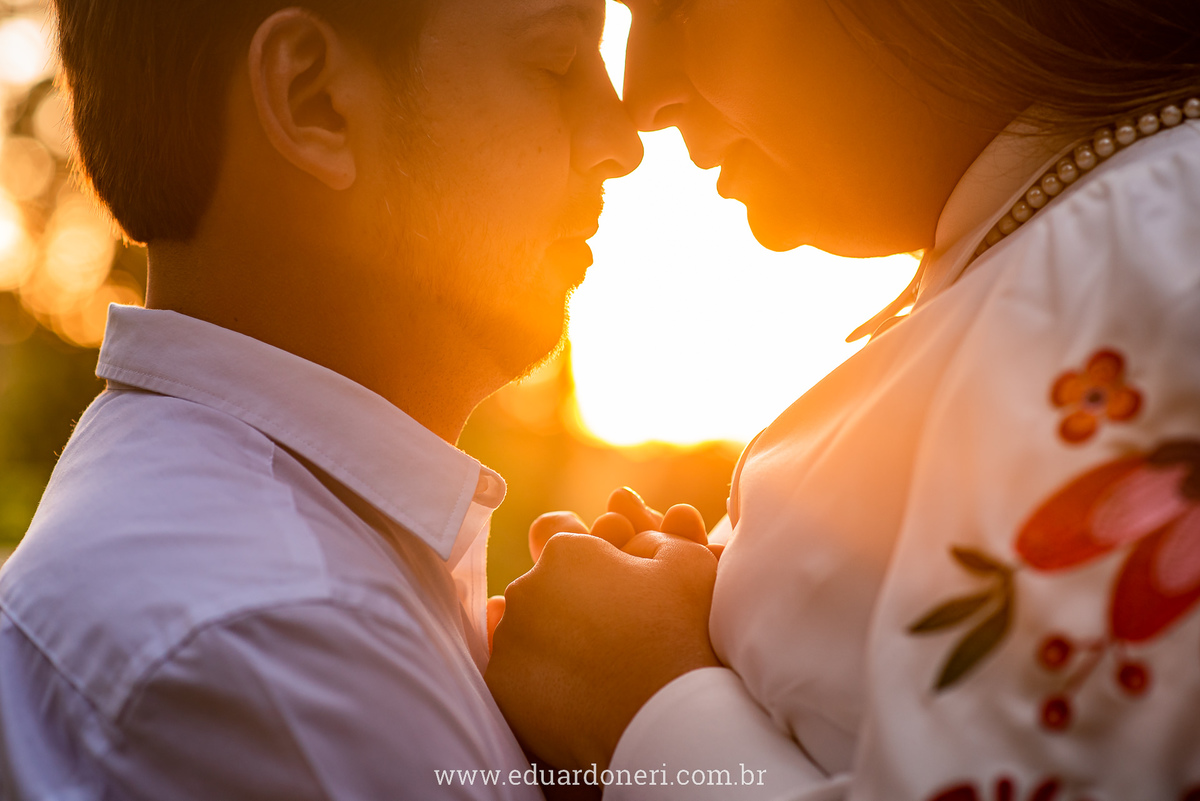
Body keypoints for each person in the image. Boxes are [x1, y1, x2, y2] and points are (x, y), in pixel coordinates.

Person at [485, 1, 1200, 799]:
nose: (643, 98)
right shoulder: (1074, 251)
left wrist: (645, 711)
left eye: (676, 7)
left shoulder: (1139, 264)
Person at [0, 0, 641, 798]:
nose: (622, 140)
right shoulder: (278, 644)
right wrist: (673, 726)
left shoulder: (270, 595)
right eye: (554, 63)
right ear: (315, 100)